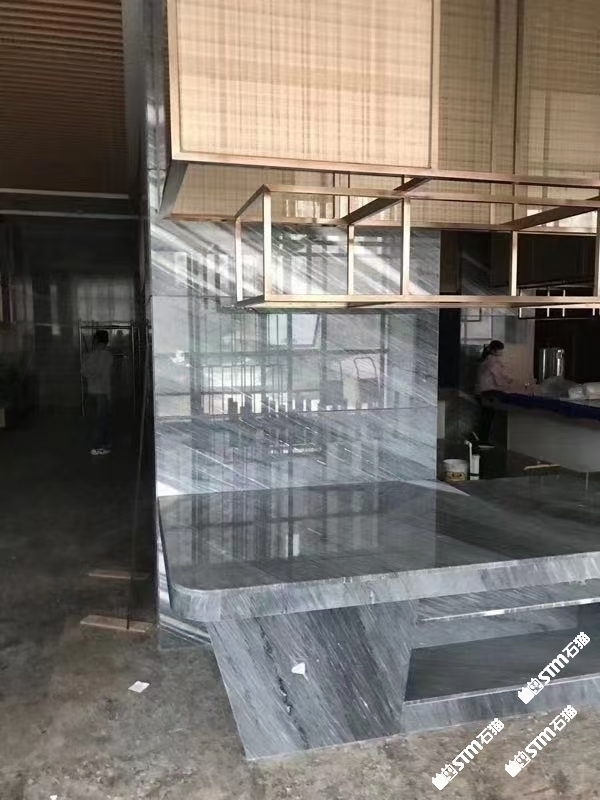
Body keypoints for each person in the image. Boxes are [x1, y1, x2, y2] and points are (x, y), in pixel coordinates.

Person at [474, 340, 513, 446]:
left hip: (480, 392)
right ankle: (484, 441)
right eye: (501, 350)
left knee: (485, 417)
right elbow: (498, 378)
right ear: (495, 350)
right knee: (489, 417)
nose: (502, 352)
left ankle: (482, 440)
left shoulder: (485, 359)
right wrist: (508, 385)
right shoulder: (493, 361)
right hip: (489, 393)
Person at [82, 330, 113, 456]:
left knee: (93, 420)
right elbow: (105, 377)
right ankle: (101, 446)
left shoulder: (89, 356)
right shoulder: (108, 356)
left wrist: (92, 375)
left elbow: (83, 372)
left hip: (91, 392)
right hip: (102, 393)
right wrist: (109, 395)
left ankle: (94, 444)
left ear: (95, 341)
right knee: (102, 421)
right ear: (106, 341)